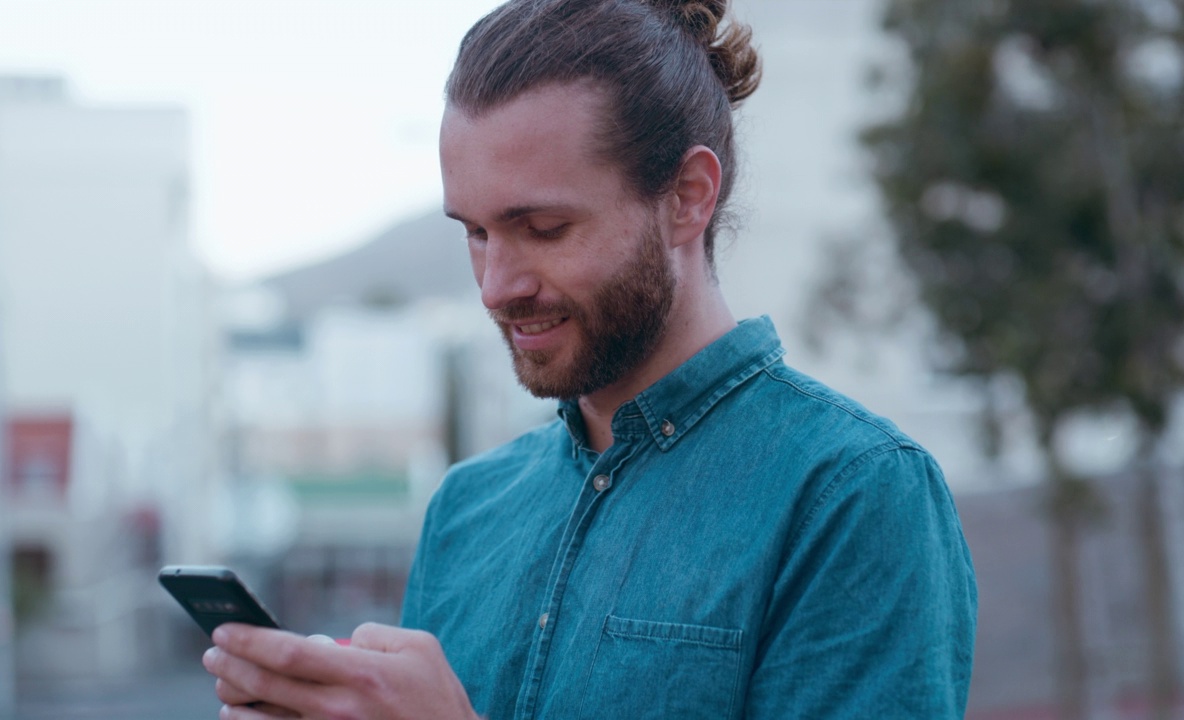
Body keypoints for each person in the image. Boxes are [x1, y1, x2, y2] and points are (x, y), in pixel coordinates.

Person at [201, 0, 978, 717]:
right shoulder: (466, 512)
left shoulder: (853, 494)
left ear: (687, 196)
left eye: (542, 228)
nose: (496, 287)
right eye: (474, 233)